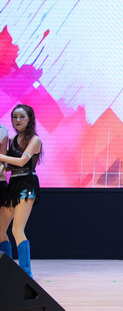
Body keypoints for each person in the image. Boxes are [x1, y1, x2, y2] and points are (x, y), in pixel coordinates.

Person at [0, 105, 42, 278]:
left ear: (30, 119)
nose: (18, 120)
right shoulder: (12, 139)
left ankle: (26, 274)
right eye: (15, 117)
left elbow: (22, 162)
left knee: (17, 230)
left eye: (22, 117)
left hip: (27, 184)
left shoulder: (35, 140)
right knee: (0, 230)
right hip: (13, 184)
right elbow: (10, 166)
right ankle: (7, 270)